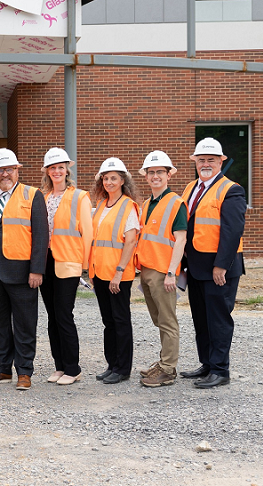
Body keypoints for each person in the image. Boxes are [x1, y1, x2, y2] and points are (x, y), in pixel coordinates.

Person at [0, 148, 48, 391]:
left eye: (8, 169)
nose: (4, 174)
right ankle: (2, 368)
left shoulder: (32, 195)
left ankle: (25, 371)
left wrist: (37, 270)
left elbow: (41, 236)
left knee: (25, 323)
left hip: (22, 272)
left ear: (17, 170)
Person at [180, 137, 246, 389]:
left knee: (218, 319)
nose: (205, 164)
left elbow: (232, 231)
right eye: (201, 160)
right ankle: (207, 363)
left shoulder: (232, 190)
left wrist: (222, 265)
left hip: (219, 268)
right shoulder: (190, 188)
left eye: (211, 160)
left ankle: (220, 370)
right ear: (195, 162)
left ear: (221, 161)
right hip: (196, 266)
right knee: (201, 318)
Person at [38, 147, 92, 386]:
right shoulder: (43, 197)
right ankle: (59, 366)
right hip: (46, 262)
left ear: (67, 169)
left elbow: (88, 233)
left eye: (61, 167)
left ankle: (73, 367)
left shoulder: (80, 197)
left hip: (68, 262)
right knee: (52, 317)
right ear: (47, 171)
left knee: (64, 315)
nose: (57, 171)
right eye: (53, 168)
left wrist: (85, 265)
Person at [135, 151, 187, 388]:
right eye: (151, 172)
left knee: (167, 321)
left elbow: (181, 239)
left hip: (163, 272)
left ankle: (168, 369)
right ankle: (164, 361)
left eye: (160, 172)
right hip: (147, 270)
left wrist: (171, 273)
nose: (155, 176)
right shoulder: (147, 204)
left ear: (168, 175)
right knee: (159, 320)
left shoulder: (176, 203)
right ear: (146, 176)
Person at [90, 157, 140, 385]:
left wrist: (119, 271)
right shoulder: (100, 205)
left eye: (114, 178)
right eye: (106, 178)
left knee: (120, 320)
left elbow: (130, 242)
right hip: (100, 273)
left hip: (118, 275)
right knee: (108, 322)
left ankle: (123, 368)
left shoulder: (128, 206)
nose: (109, 182)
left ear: (123, 180)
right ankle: (112, 364)